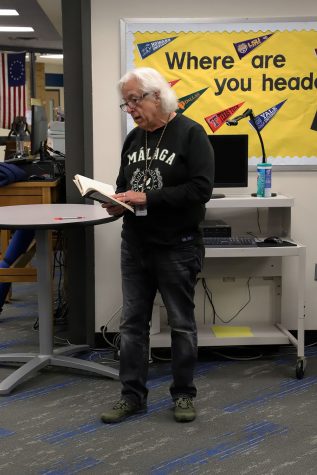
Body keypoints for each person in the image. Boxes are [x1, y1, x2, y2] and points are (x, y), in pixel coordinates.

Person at [100, 67, 214, 423]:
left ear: (157, 96)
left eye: (135, 100)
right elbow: (124, 184)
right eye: (126, 103)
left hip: (177, 246)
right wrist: (116, 202)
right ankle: (132, 396)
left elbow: (200, 190)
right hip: (135, 245)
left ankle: (183, 395)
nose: (131, 108)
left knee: (181, 324)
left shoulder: (191, 134)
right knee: (132, 325)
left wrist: (147, 197)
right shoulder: (134, 139)